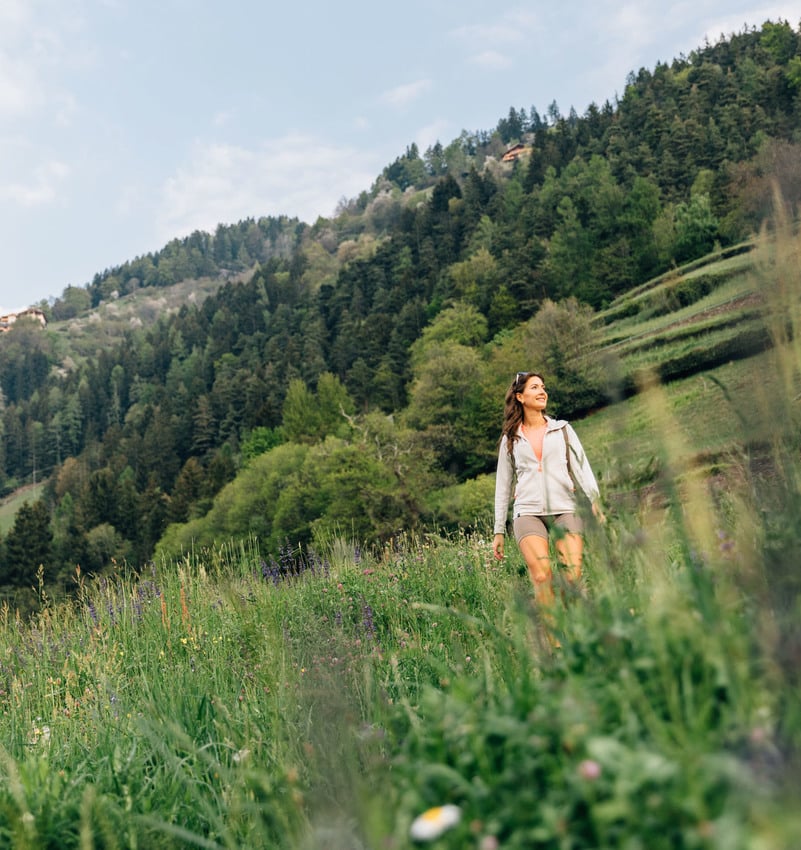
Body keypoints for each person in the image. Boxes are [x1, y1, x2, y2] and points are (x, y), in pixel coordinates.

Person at [493, 371, 604, 608]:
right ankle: (555, 643)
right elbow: (503, 486)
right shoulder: (510, 439)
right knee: (542, 577)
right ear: (520, 397)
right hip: (528, 512)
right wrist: (498, 530)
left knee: (572, 577)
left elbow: (582, 467)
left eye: (543, 387)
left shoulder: (563, 429)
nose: (542, 391)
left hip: (565, 508)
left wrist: (596, 500)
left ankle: (569, 624)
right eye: (534, 387)